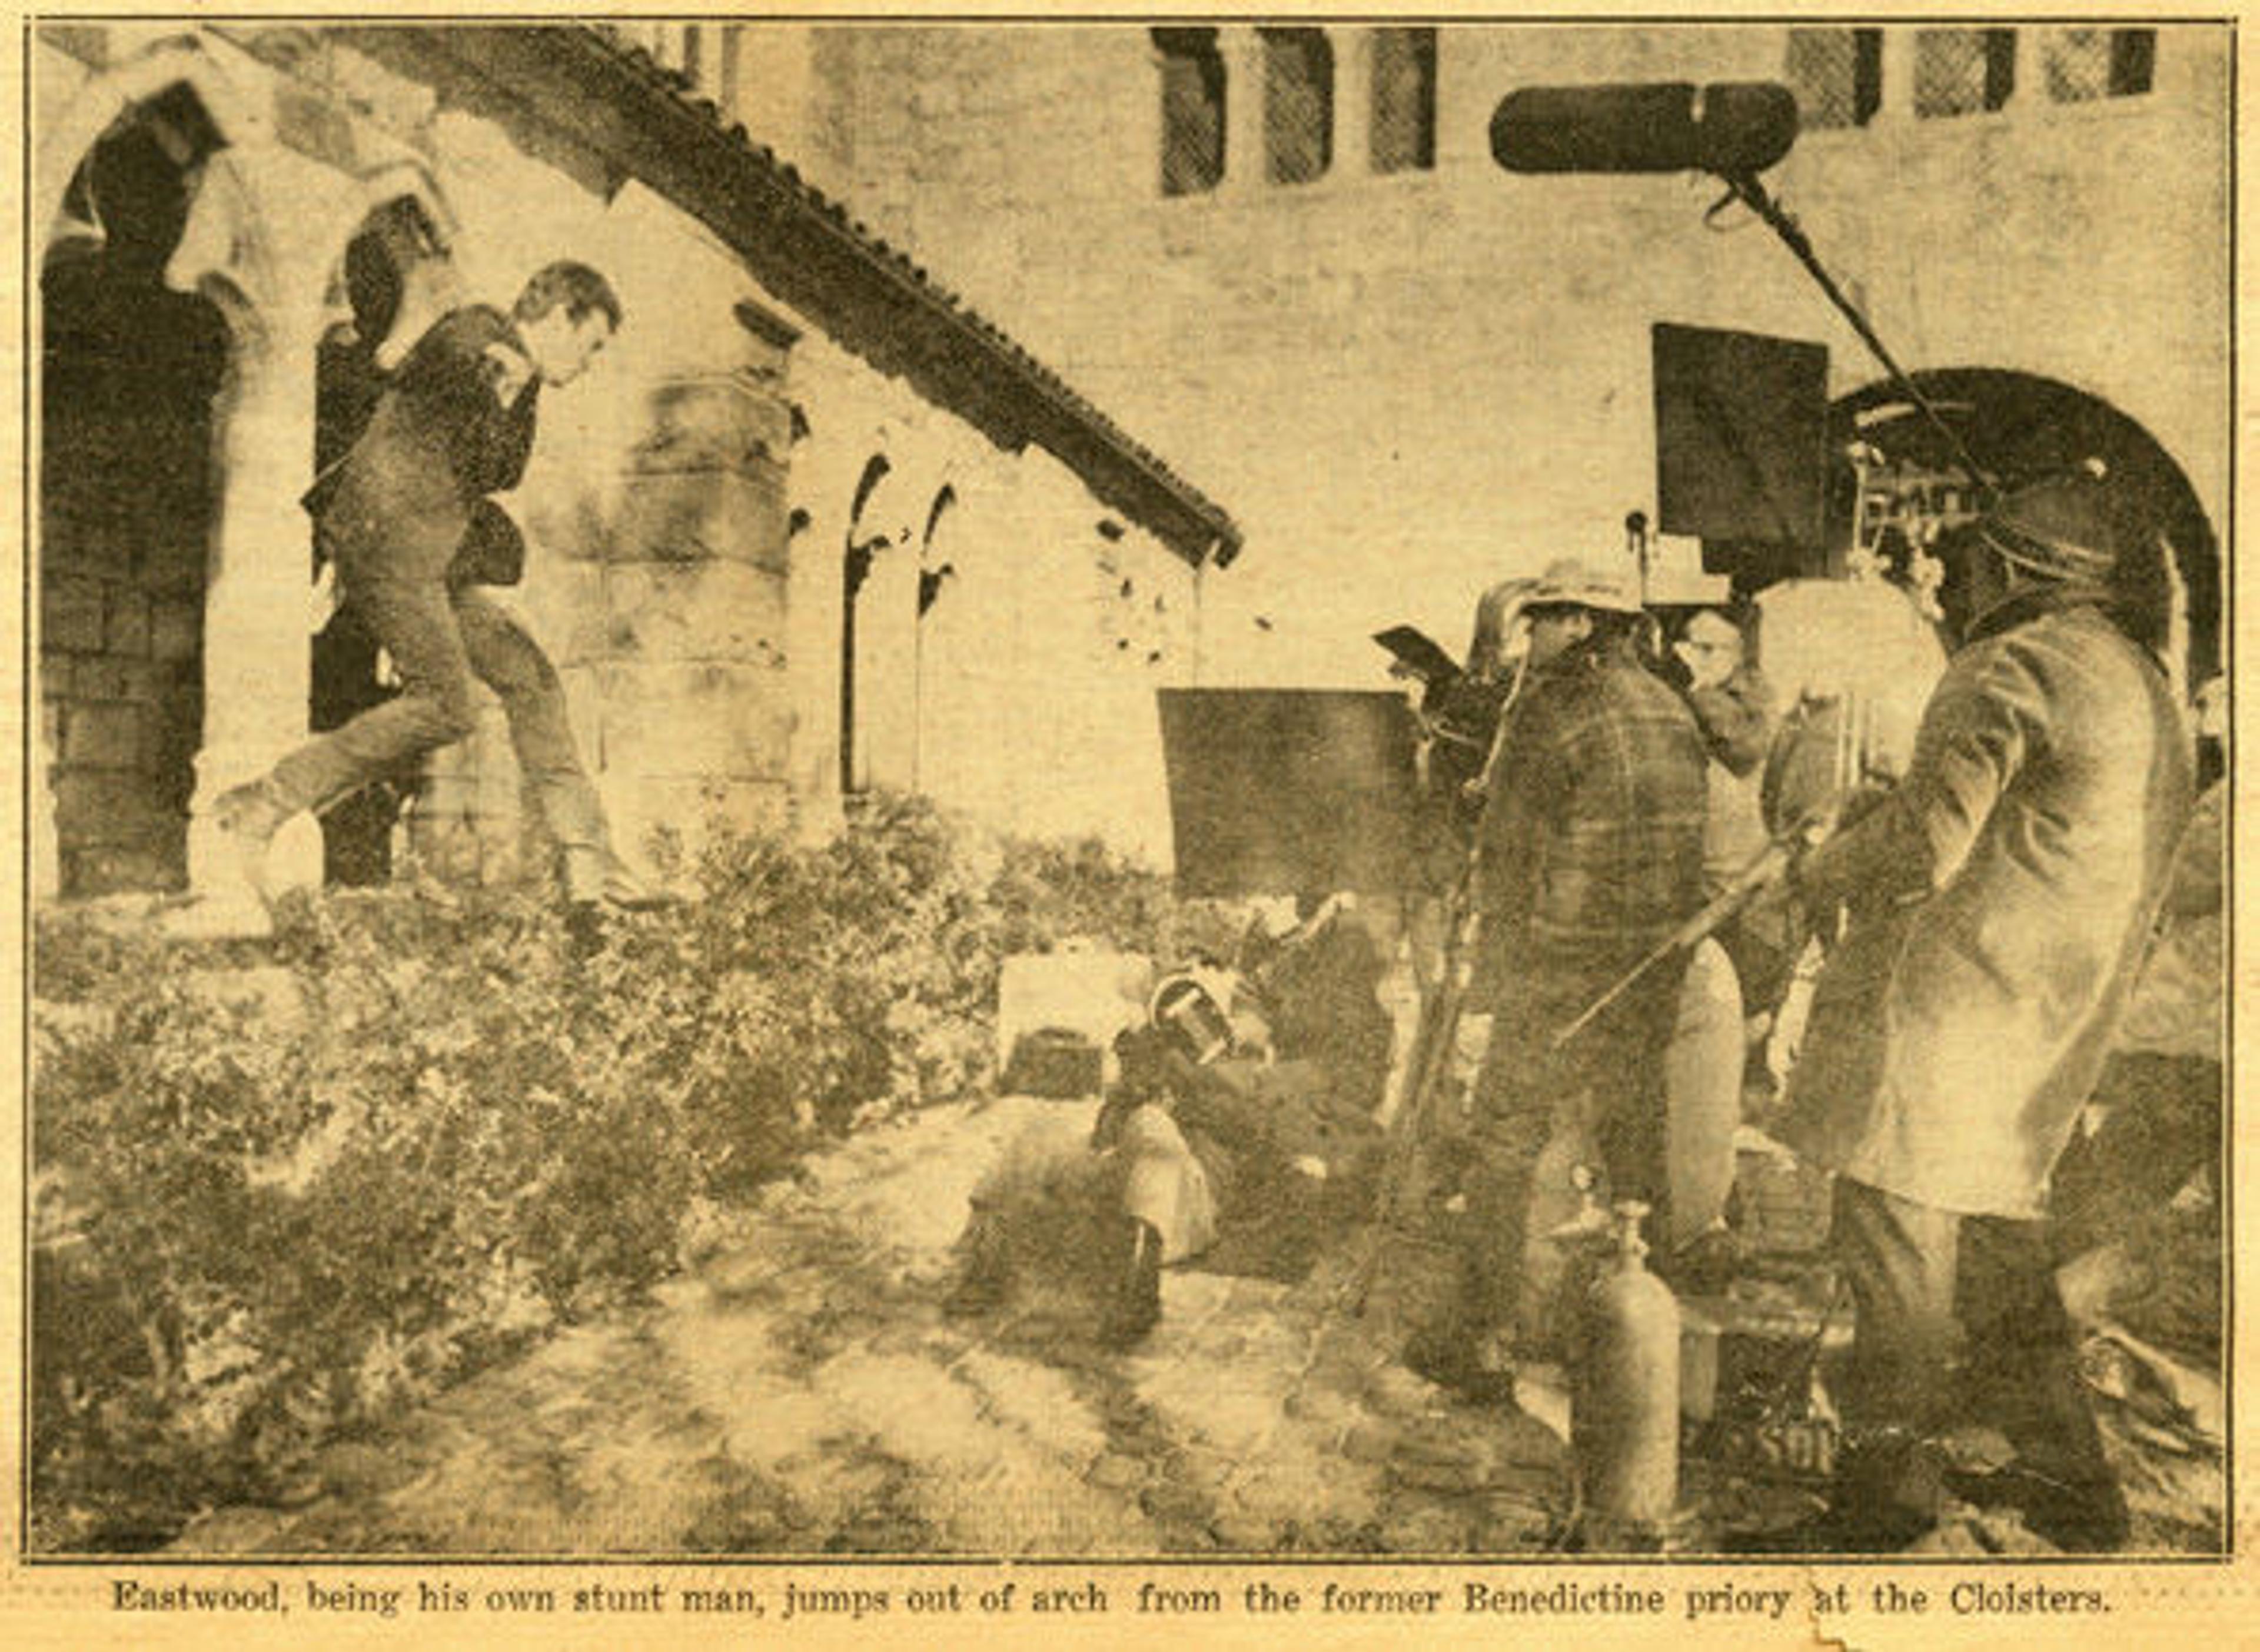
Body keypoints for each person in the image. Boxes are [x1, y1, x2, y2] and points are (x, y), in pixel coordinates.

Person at [1776, 467, 2194, 1551]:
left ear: (2010, 566)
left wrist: (1825, 865)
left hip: (1949, 1012)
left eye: (1971, 562)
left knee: (1897, 1241)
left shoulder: (2008, 662)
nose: (1958, 580)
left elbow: (1923, 849)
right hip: (2049, 1018)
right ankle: (2072, 1480)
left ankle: (1883, 1505)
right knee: (2002, 1248)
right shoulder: (2141, 679)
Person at [215, 262, 652, 950]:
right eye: (591, 344)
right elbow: (440, 359)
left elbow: (501, 471)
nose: (591, 364)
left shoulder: (524, 380)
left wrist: (513, 387)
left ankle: (591, 880)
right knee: (445, 704)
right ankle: (263, 803)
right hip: (389, 545)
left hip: (436, 557)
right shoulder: (480, 330)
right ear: (561, 316)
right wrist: (497, 371)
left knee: (531, 680)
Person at [1407, 557, 1708, 1402]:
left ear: (1582, 623)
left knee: (1503, 1140)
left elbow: (1508, 861)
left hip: (1559, 972)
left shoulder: (1555, 711)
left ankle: (1484, 1341)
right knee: (1635, 1145)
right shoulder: (1673, 708)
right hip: (1649, 971)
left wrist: (1489, 987)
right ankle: (1643, 1353)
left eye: (1541, 620)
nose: (1529, 636)